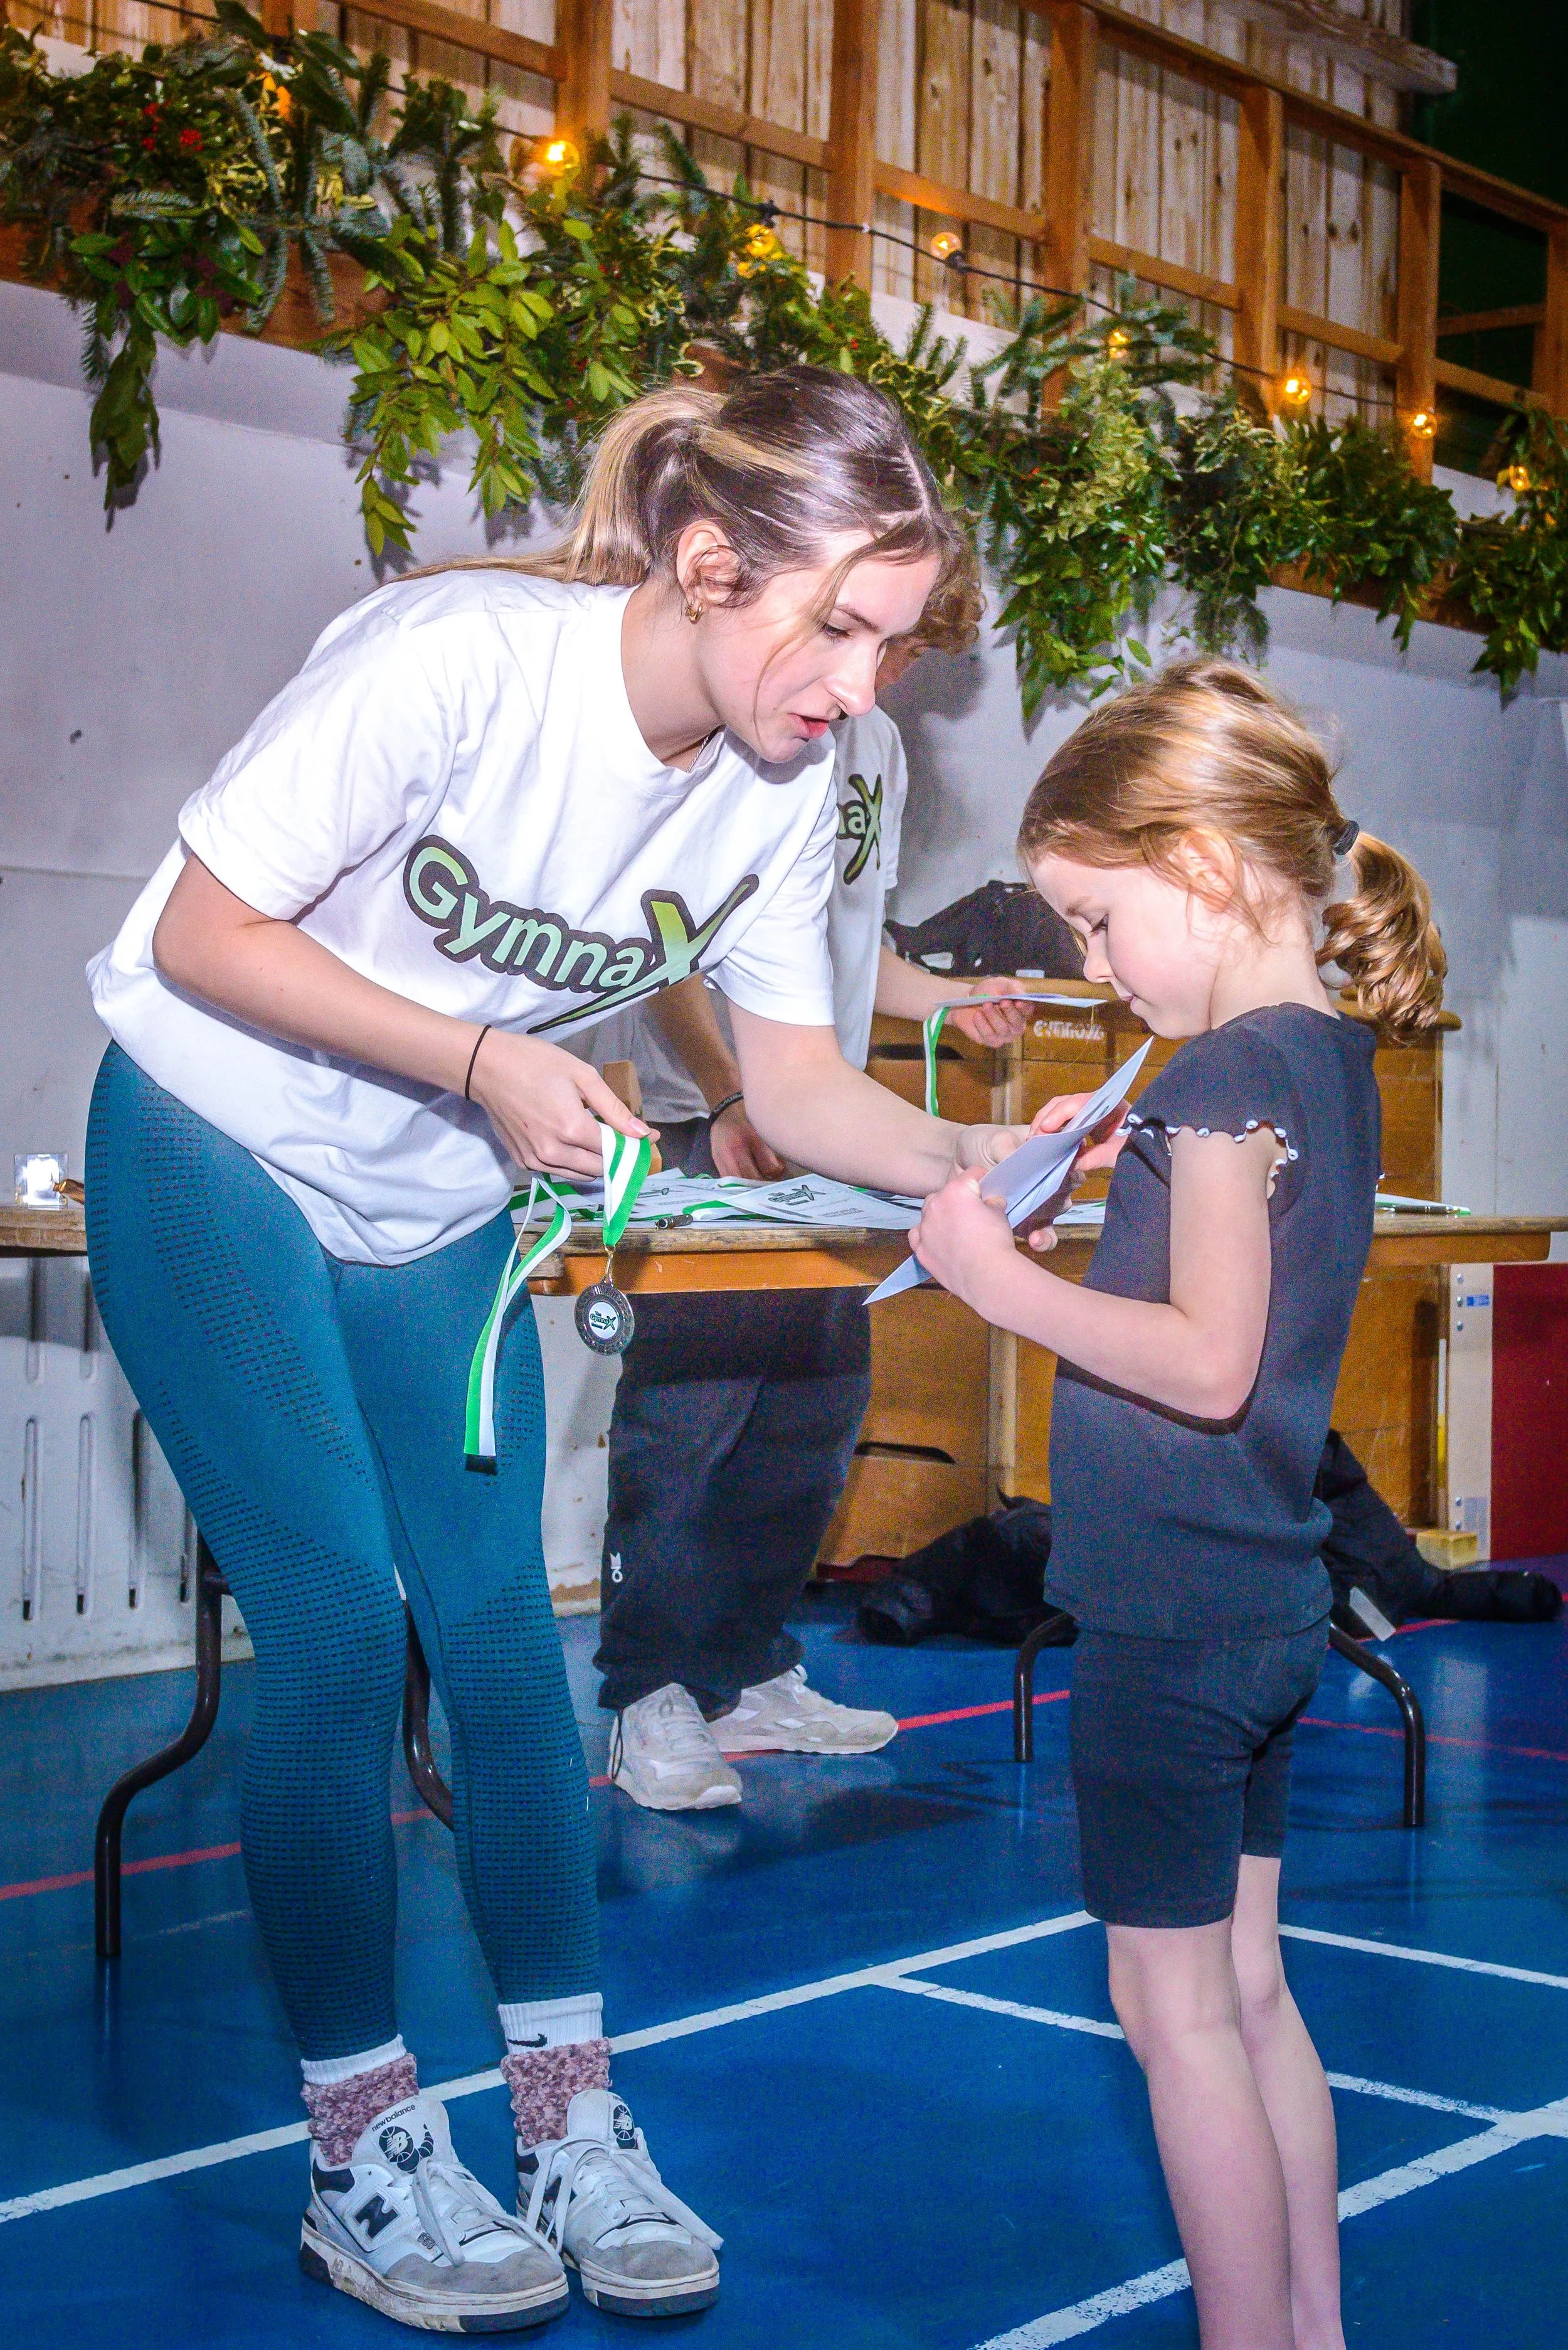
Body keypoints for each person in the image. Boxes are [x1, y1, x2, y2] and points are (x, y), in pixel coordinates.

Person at [82, 365, 1037, 2336]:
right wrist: (480, 1055)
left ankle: (570, 2117)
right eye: (840, 629)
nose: (862, 687)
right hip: (214, 1132)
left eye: (896, 644)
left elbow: (792, 1083)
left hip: (429, 1191)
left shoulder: (786, 792)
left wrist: (979, 1153)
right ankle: (361, 2146)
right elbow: (200, 934)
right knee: (345, 1631)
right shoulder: (457, 659)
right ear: (708, 565)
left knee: (508, 1644)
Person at [912, 658, 1447, 2350]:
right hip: (1266, 1605)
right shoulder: (1311, 1057)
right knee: (1246, 1989)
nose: (1087, 962)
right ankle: (1309, 2328)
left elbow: (1206, 1361)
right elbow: (1224, 1287)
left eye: (1093, 917)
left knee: (1171, 2013)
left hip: (1168, 1618)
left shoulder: (1217, 1082)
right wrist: (1093, 1171)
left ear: (1202, 868)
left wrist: (992, 1279)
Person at [585, 635, 1030, 1811]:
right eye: (869, 644)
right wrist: (730, 1093)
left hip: (824, 1139)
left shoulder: (869, 744)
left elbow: (852, 944)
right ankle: (646, 1693)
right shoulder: (747, 728)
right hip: (715, 1126)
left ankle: (744, 1670)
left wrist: (952, 999)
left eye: (908, 656)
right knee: (690, 1419)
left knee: (812, 1412)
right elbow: (661, 945)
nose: (878, 680)